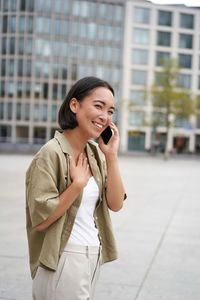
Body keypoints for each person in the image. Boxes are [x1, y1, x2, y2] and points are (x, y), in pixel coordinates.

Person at [26, 76, 126, 300]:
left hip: (92, 256)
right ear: (74, 105)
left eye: (110, 111)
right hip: (63, 258)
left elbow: (116, 204)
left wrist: (111, 157)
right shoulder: (50, 153)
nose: (105, 116)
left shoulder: (95, 154)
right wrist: (77, 185)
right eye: (98, 106)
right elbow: (40, 220)